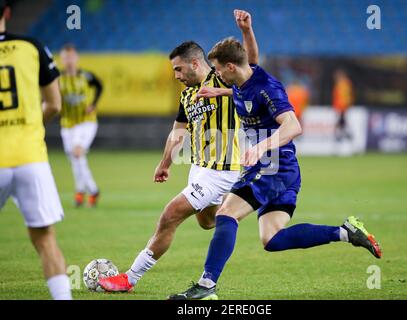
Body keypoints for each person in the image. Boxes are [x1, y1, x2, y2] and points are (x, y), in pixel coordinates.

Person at [168, 10, 382, 300]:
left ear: (230, 67)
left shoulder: (267, 88)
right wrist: (246, 32)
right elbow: (249, 59)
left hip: (272, 166)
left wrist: (260, 146)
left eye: (218, 69)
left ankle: (206, 286)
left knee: (227, 214)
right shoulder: (241, 80)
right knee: (272, 240)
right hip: (284, 171)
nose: (215, 74)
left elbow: (294, 125)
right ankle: (344, 232)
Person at [98, 38, 248, 292]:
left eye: (178, 69)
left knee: (170, 215)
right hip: (199, 168)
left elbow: (252, 82)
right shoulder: (187, 95)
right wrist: (165, 162)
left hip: (221, 170)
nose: (176, 75)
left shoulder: (223, 78)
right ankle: (234, 211)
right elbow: (178, 132)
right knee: (206, 222)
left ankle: (129, 279)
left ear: (194, 63)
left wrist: (245, 32)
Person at [0, 0, 72, 300]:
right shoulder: (31, 46)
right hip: (31, 156)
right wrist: (30, 126)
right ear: (6, 13)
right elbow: (55, 104)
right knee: (45, 240)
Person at [59, 44, 102, 207]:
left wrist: (93, 104)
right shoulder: (58, 78)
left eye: (71, 57)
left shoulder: (85, 76)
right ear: (61, 59)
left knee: (77, 153)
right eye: (65, 57)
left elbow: (99, 85)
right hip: (67, 123)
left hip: (86, 122)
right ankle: (89, 190)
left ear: (76, 58)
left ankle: (85, 191)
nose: (69, 60)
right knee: (75, 158)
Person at [332, 69, 354, 141]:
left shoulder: (341, 84)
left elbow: (338, 96)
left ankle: (338, 134)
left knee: (340, 120)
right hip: (343, 106)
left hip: (341, 106)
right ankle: (344, 134)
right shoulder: (347, 83)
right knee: (342, 120)